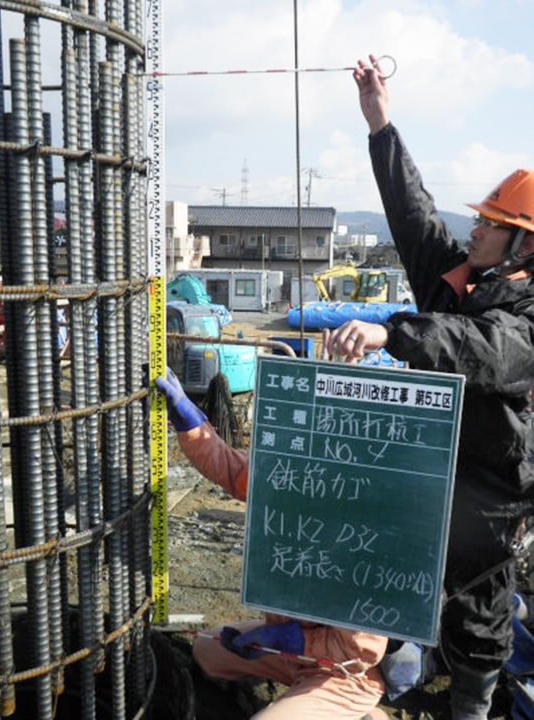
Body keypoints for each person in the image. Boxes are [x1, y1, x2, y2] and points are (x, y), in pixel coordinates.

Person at [324, 54, 534, 720]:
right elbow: (413, 217)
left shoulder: (523, 317)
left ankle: (471, 699)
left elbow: (481, 347)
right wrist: (379, 122)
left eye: (490, 223)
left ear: (524, 246)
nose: (474, 227)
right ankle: (414, 657)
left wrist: (394, 333)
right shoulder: (461, 279)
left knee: (479, 607)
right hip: (433, 469)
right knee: (409, 577)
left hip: (495, 489)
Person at [156, 370, 391, 720]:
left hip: (345, 671)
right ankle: (304, 700)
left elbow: (363, 650)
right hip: (295, 651)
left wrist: (293, 640)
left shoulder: (367, 526)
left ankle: (358, 712)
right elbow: (228, 467)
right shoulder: (291, 480)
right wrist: (187, 417)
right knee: (207, 650)